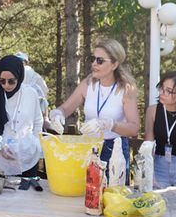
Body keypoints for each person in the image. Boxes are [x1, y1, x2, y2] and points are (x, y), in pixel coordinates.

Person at [49, 38, 139, 177]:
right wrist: (57, 114)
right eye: (92, 59)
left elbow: (134, 128)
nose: (94, 64)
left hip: (114, 149)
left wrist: (109, 124)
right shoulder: (88, 84)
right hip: (88, 147)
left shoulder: (125, 89)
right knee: (85, 194)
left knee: (112, 195)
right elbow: (66, 108)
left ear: (114, 64)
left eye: (100, 60)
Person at [0, 54, 43, 177]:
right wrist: (0, 147)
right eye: (2, 81)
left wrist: (35, 143)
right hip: (0, 163)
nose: (6, 85)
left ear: (19, 77)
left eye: (11, 81)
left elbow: (38, 122)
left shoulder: (31, 94)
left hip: (28, 158)